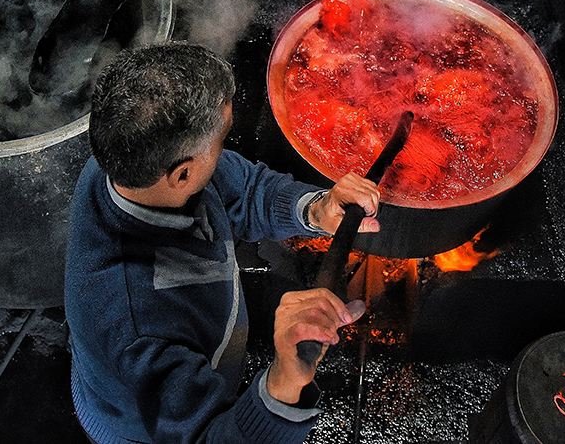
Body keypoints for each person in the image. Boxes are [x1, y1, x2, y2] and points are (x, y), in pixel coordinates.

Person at [65, 41, 382, 444]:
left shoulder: (128, 162)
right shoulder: (139, 327)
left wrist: (317, 210)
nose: (224, 153)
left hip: (177, 372)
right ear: (181, 174)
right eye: (219, 144)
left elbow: (242, 189)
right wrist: (285, 380)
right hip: (143, 427)